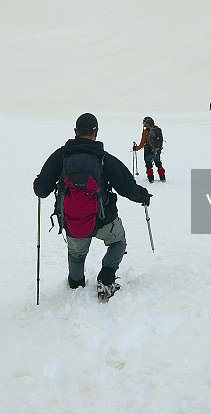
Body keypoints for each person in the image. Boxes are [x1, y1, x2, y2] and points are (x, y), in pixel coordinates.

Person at [33, 112, 151, 299]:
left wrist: (38, 184)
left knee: (76, 255)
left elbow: (42, 190)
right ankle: (106, 278)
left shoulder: (61, 157)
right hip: (104, 220)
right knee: (117, 242)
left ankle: (76, 285)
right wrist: (143, 196)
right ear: (96, 132)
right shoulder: (105, 159)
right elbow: (127, 187)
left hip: (73, 221)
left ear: (75, 131)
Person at [133, 116, 166, 183]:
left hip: (148, 150)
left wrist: (136, 148)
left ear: (147, 123)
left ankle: (151, 179)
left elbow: (142, 144)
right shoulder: (157, 129)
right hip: (157, 149)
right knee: (158, 163)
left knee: (148, 165)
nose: (143, 123)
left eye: (144, 122)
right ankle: (162, 178)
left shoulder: (146, 132)